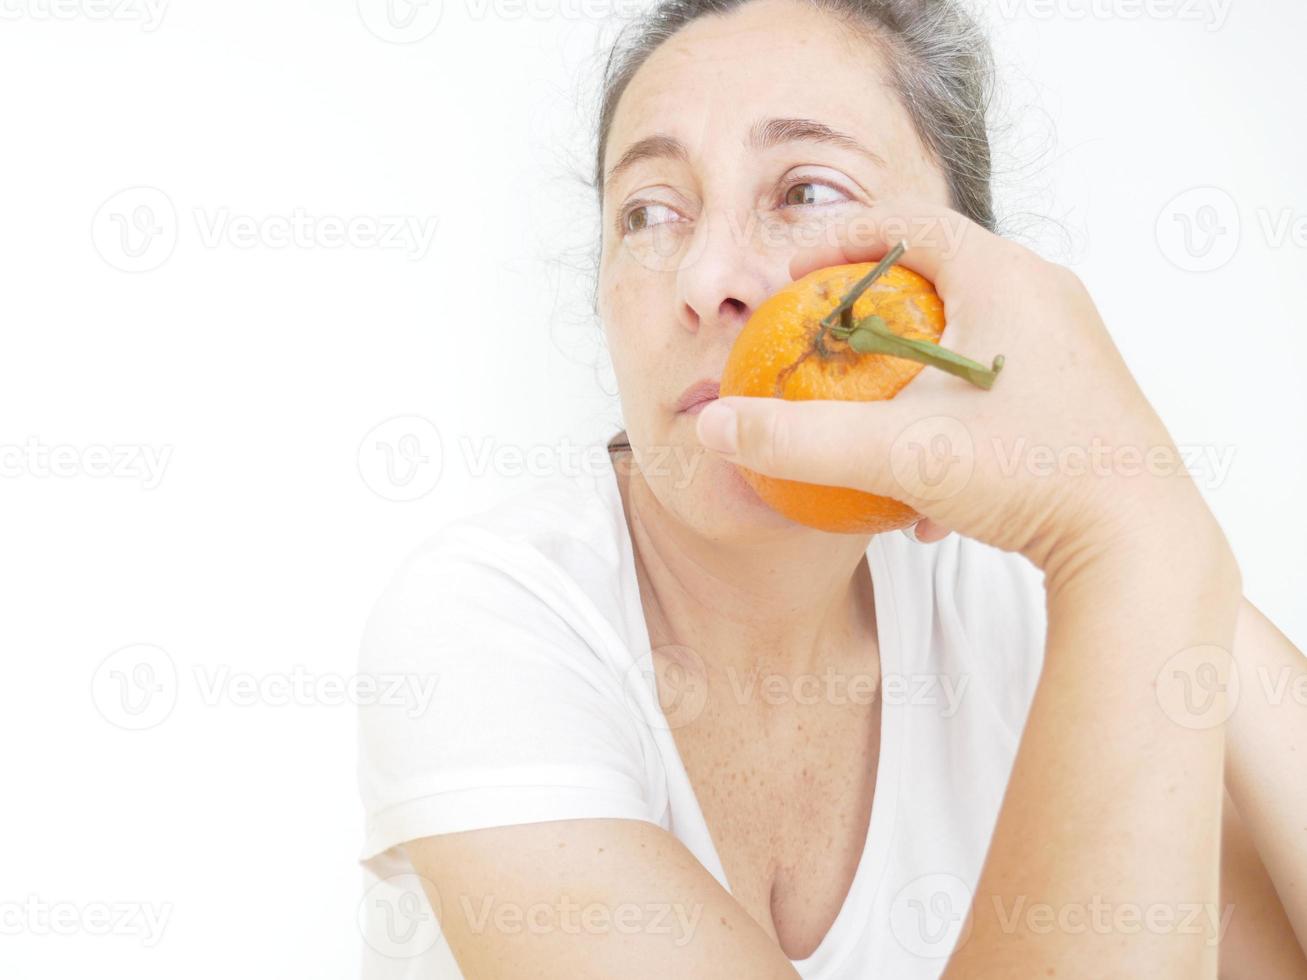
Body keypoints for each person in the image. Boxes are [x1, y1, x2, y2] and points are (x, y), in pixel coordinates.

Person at [357, 0, 1307, 976]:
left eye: (807, 191)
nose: (705, 274)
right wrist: (1131, 536)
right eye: (647, 211)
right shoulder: (485, 624)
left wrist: (1125, 502)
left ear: (967, 286)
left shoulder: (1030, 593)